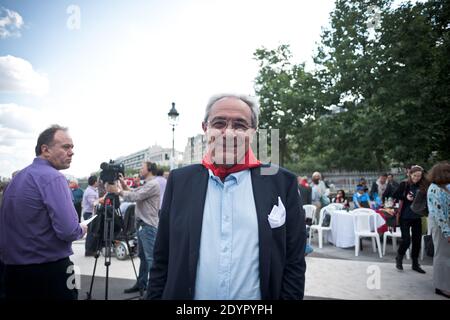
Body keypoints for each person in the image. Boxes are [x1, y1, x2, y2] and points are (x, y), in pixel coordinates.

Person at [147, 93, 306, 300]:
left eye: (240, 125)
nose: (228, 133)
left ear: (253, 132)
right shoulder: (179, 181)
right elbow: (162, 258)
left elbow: (294, 263)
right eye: (219, 123)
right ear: (206, 128)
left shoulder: (282, 182)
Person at [0, 125, 87, 300]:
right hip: (50, 272)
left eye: (72, 147)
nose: (71, 152)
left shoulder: (17, 178)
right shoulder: (53, 177)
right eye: (65, 147)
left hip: (11, 272)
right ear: (45, 150)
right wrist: (82, 228)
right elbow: (68, 231)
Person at [111, 162, 160, 296]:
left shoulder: (152, 184)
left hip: (148, 226)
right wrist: (123, 184)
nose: (140, 169)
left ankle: (152, 291)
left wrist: (118, 191)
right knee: (143, 258)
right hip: (143, 226)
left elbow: (135, 196)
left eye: (142, 167)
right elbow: (135, 193)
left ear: (149, 169)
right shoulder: (147, 184)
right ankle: (141, 285)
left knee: (150, 260)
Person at [393, 165, 428, 273]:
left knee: (417, 241)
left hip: (417, 216)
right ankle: (399, 258)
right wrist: (405, 197)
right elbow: (395, 194)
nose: (417, 178)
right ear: (410, 174)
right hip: (405, 216)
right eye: (415, 176)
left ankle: (415, 264)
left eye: (419, 176)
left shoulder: (423, 185)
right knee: (406, 240)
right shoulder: (404, 184)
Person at [426, 162, 450, 299]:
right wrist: (447, 233)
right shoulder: (435, 189)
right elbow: (439, 215)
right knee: (442, 256)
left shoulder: (443, 187)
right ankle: (441, 287)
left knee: (446, 256)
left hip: (445, 224)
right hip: (441, 225)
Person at [82, 175, 99, 256]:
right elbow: (93, 203)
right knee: (91, 232)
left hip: (91, 213)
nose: (98, 182)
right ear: (95, 182)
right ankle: (88, 251)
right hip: (89, 214)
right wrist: (102, 200)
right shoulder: (90, 191)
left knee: (93, 232)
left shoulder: (93, 190)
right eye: (97, 181)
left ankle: (92, 249)